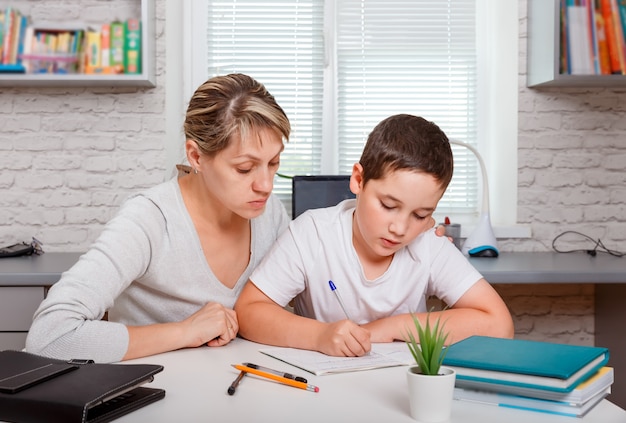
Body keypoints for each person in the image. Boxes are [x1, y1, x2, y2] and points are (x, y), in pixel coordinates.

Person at [25, 73, 292, 363]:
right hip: (150, 395)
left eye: (273, 163)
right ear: (197, 156)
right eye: (244, 168)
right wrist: (185, 332)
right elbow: (50, 337)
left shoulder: (271, 214)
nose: (265, 185)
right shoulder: (148, 220)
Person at [235, 114, 515, 357]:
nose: (400, 228)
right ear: (358, 180)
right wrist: (320, 336)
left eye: (420, 215)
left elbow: (499, 325)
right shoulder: (313, 233)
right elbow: (249, 312)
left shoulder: (429, 244)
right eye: (388, 206)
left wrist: (389, 328)